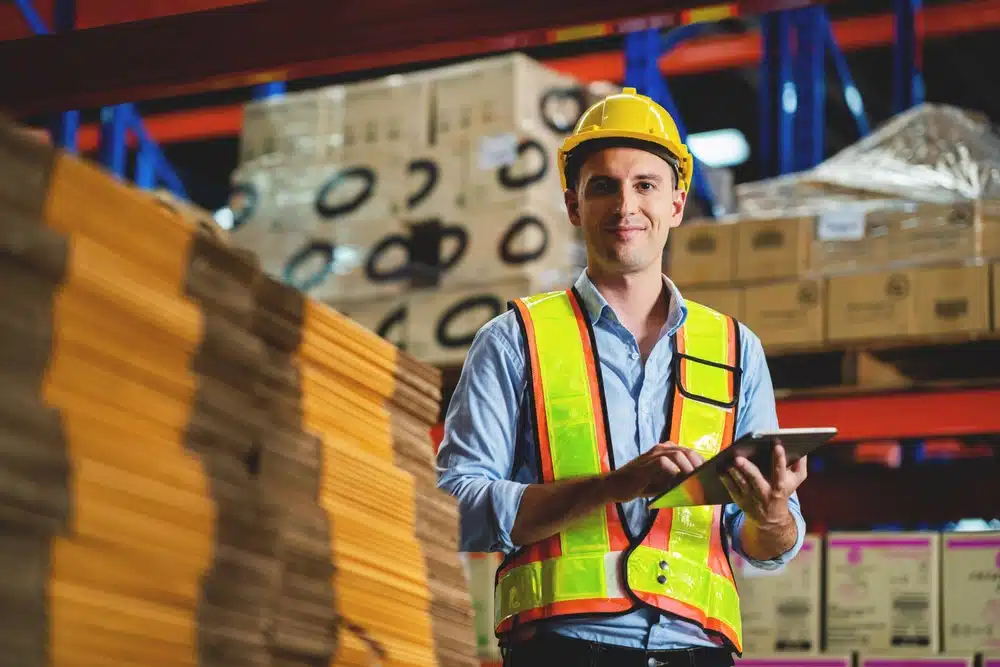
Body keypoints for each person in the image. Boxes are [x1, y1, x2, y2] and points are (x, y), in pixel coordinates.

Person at [436, 87, 808, 667]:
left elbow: (765, 543)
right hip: (560, 652)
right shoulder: (513, 341)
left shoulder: (737, 350)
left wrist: (774, 515)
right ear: (573, 206)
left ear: (677, 205)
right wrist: (611, 486)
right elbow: (454, 509)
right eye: (603, 186)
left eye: (645, 185)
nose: (625, 206)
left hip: (697, 654)